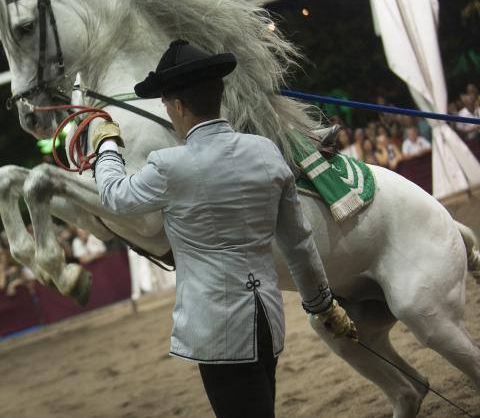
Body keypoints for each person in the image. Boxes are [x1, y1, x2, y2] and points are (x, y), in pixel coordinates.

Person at [91, 40, 356, 417]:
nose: (168, 111)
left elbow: (115, 196)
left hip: (219, 328)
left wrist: (106, 144)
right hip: (267, 318)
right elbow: (298, 243)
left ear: (179, 106)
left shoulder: (170, 165)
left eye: (167, 104)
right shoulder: (265, 151)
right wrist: (321, 304)